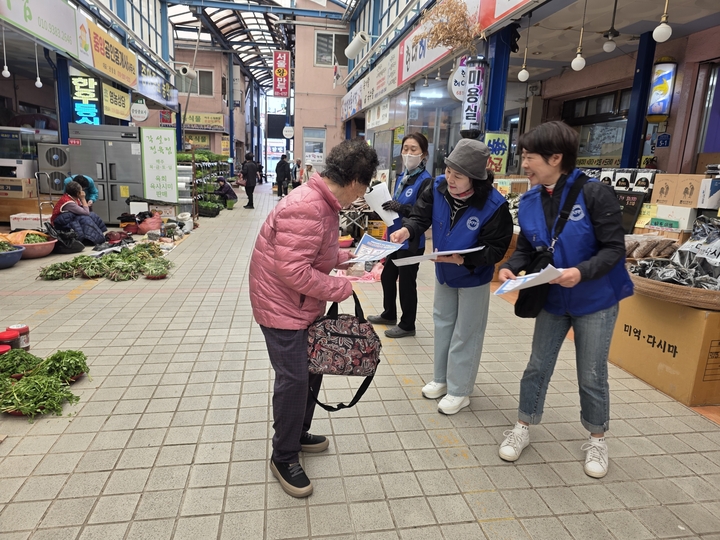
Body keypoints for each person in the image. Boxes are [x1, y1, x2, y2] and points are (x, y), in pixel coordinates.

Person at [497, 121, 633, 479]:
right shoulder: (530, 200)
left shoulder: (594, 194)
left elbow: (614, 250)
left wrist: (580, 272)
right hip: (553, 298)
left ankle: (597, 439)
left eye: (530, 157)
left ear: (556, 158)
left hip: (595, 299)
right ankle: (523, 425)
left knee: (591, 373)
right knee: (537, 365)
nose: (524, 164)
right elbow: (528, 248)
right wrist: (510, 267)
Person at [249, 139, 379, 498]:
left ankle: (297, 433)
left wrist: (350, 258)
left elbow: (315, 250)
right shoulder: (308, 205)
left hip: (300, 304)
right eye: (365, 186)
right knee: (294, 380)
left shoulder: (324, 202)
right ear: (355, 180)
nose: (363, 194)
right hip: (282, 307)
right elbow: (293, 270)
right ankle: (283, 455)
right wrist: (341, 288)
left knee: (312, 369)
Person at [390, 139, 513, 415]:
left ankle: (460, 390)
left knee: (466, 332)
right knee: (443, 324)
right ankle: (441, 379)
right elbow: (420, 217)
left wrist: (464, 259)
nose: (450, 179)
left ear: (475, 178)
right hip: (443, 271)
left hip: (473, 276)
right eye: (448, 171)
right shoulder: (437, 187)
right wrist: (407, 230)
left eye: (458, 175)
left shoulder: (494, 205)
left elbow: (496, 249)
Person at [368, 133, 433, 338]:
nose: (408, 153)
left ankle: (407, 324)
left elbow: (423, 213)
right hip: (394, 239)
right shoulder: (403, 177)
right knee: (387, 276)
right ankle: (389, 313)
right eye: (405, 148)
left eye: (414, 149)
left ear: (423, 154)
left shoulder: (426, 181)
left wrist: (401, 207)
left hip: (411, 242)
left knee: (406, 283)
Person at [51, 180, 107, 245]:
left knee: (92, 215)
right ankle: (89, 239)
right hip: (60, 223)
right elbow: (86, 212)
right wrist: (83, 199)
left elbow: (85, 210)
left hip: (69, 218)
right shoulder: (69, 203)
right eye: (81, 190)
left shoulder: (74, 198)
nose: (83, 192)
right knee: (85, 218)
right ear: (78, 193)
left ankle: (99, 235)